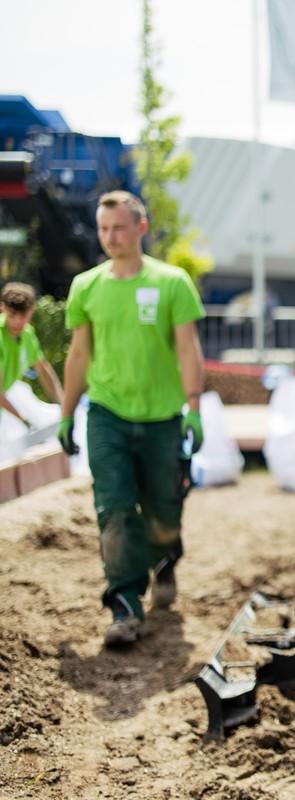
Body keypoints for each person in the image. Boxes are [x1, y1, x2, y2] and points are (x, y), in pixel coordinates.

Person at [59, 190, 206, 647]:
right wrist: (66, 415)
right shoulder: (86, 286)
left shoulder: (172, 282)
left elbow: (187, 348)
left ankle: (164, 559)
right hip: (107, 415)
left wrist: (194, 409)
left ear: (141, 228)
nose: (110, 237)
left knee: (163, 511)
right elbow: (79, 353)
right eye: (103, 229)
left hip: (162, 417)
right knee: (116, 508)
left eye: (119, 227)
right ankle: (125, 605)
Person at [0, 282, 64, 422]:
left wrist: (64, 405)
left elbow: (42, 368)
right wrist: (22, 420)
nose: (17, 322)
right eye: (12, 316)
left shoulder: (27, 333)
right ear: (2, 308)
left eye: (23, 316)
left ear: (32, 310)